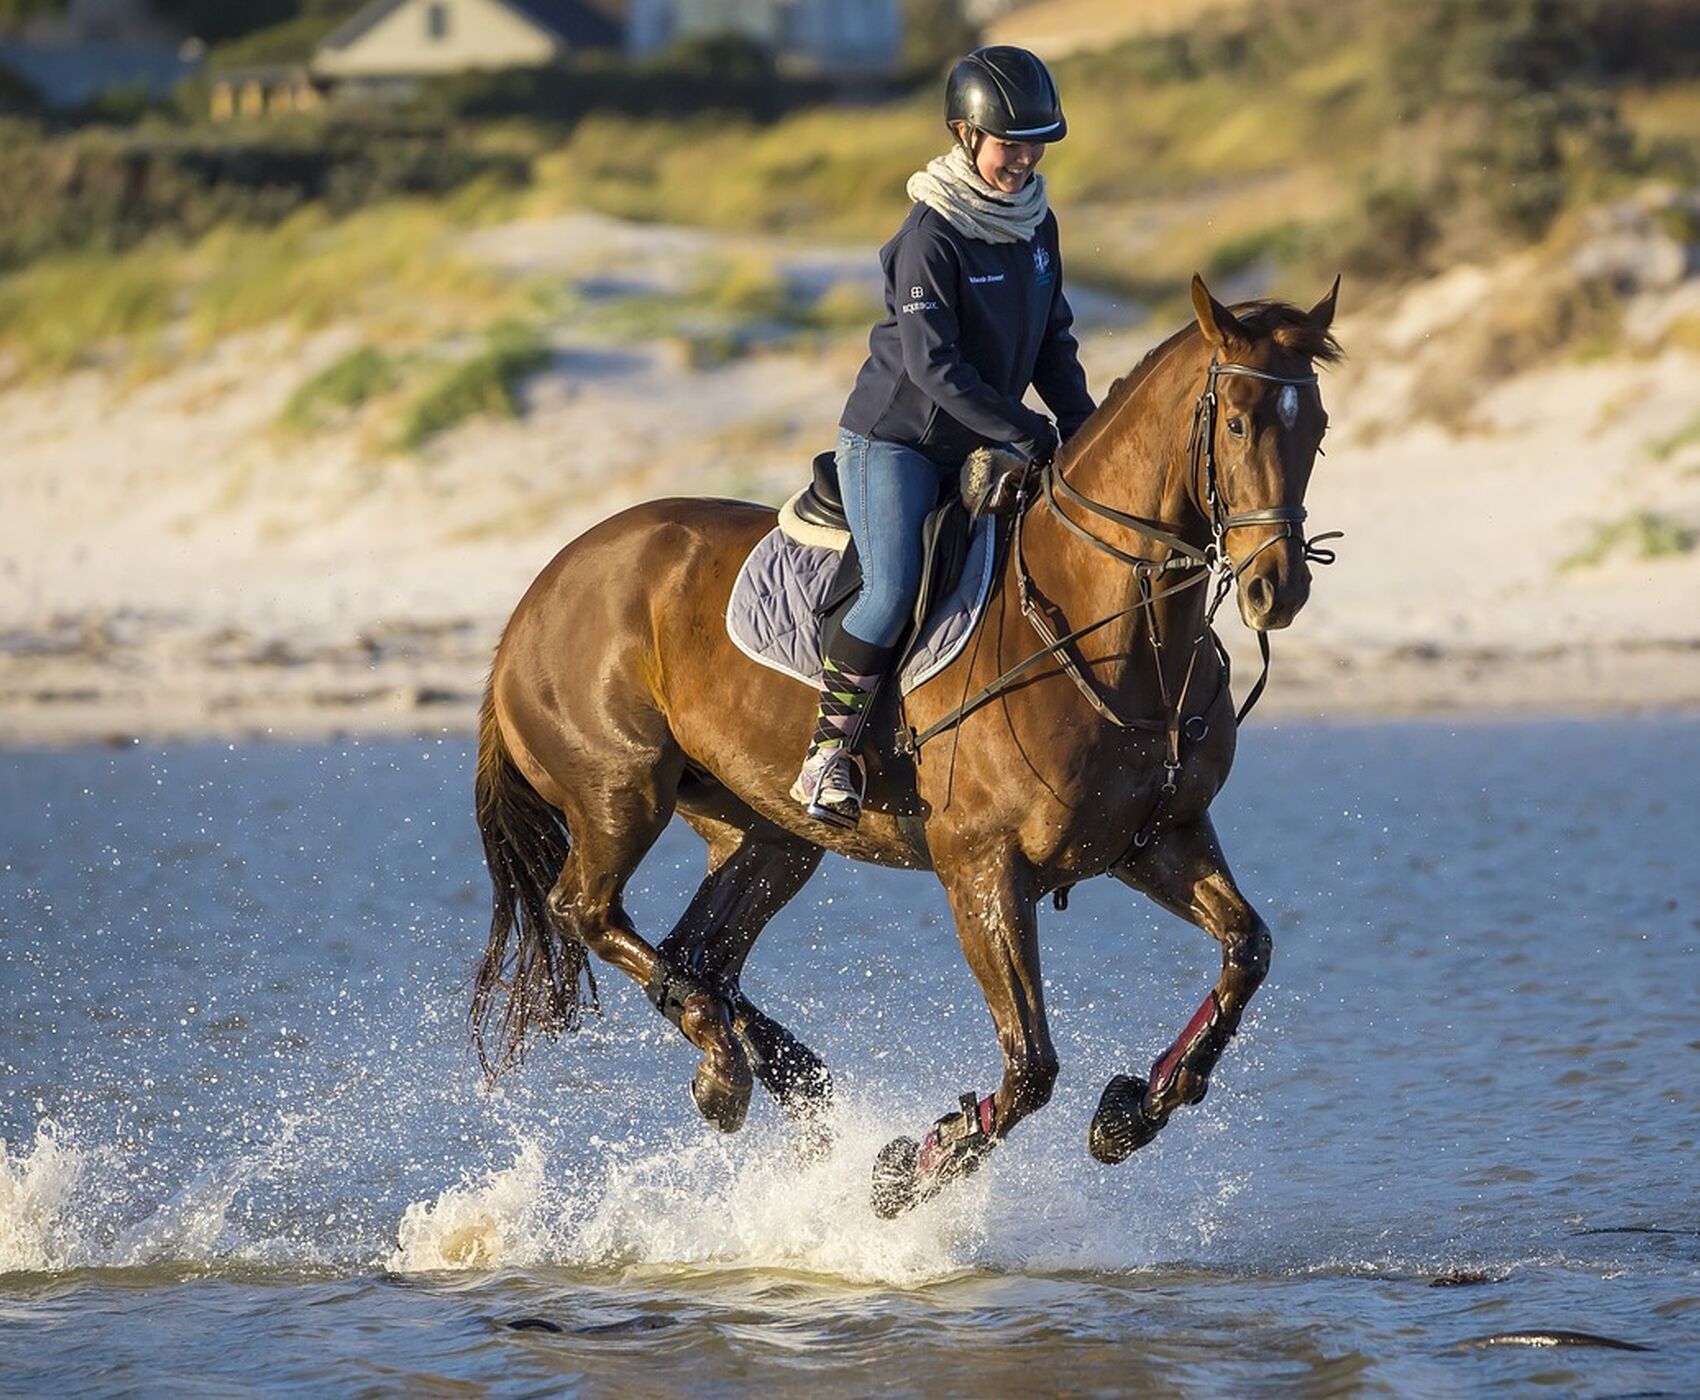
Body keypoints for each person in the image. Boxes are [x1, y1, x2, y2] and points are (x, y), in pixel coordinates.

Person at [790, 44, 1097, 828]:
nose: (1023, 161)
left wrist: (1083, 429)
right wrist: (1026, 428)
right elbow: (934, 367)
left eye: (1036, 144)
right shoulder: (931, 234)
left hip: (985, 441)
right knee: (894, 585)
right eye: (1009, 144)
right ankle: (827, 753)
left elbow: (1054, 343)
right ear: (965, 135)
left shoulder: (1036, 226)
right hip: (896, 441)